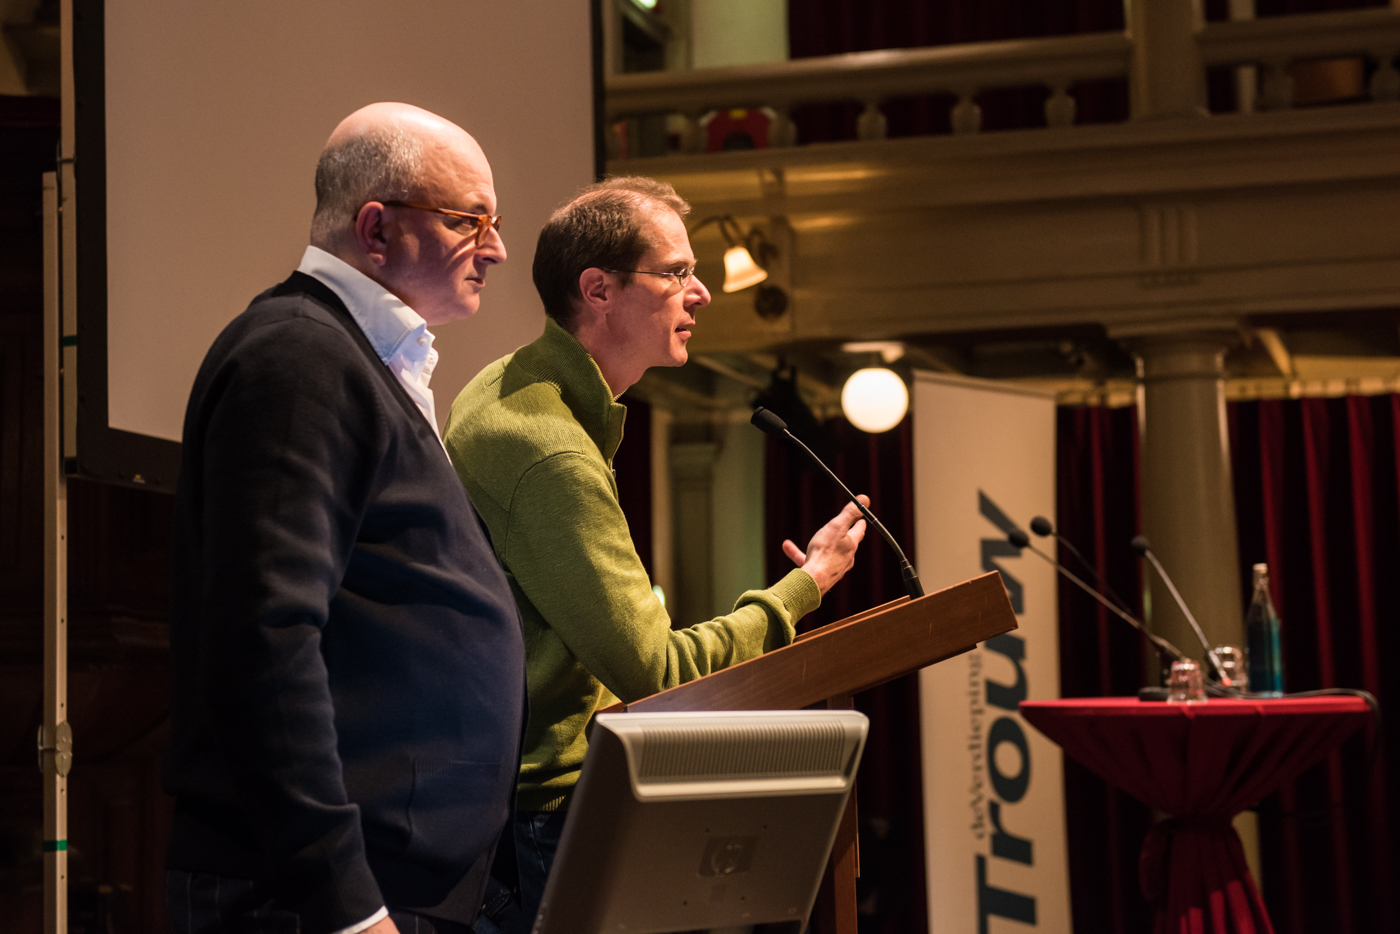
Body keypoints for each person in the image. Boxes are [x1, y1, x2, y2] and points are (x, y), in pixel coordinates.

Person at [443, 176, 869, 931]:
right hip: (548, 813)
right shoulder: (550, 452)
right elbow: (659, 674)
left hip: (510, 798)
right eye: (676, 272)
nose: (700, 293)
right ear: (598, 289)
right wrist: (802, 589)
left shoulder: (512, 388)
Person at [165, 103, 526, 934]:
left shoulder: (362, 361)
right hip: (313, 901)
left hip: (387, 887)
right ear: (377, 227)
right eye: (473, 220)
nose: (498, 248)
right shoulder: (299, 358)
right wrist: (346, 903)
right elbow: (263, 643)